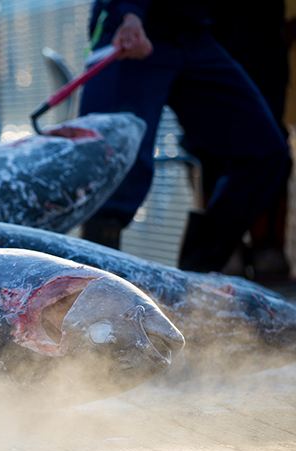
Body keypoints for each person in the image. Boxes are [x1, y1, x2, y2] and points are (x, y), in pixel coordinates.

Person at [79, 0, 291, 273]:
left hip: (193, 34)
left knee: (265, 148)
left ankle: (198, 274)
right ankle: (91, 285)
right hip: (131, 26)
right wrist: (129, 15)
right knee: (118, 163)